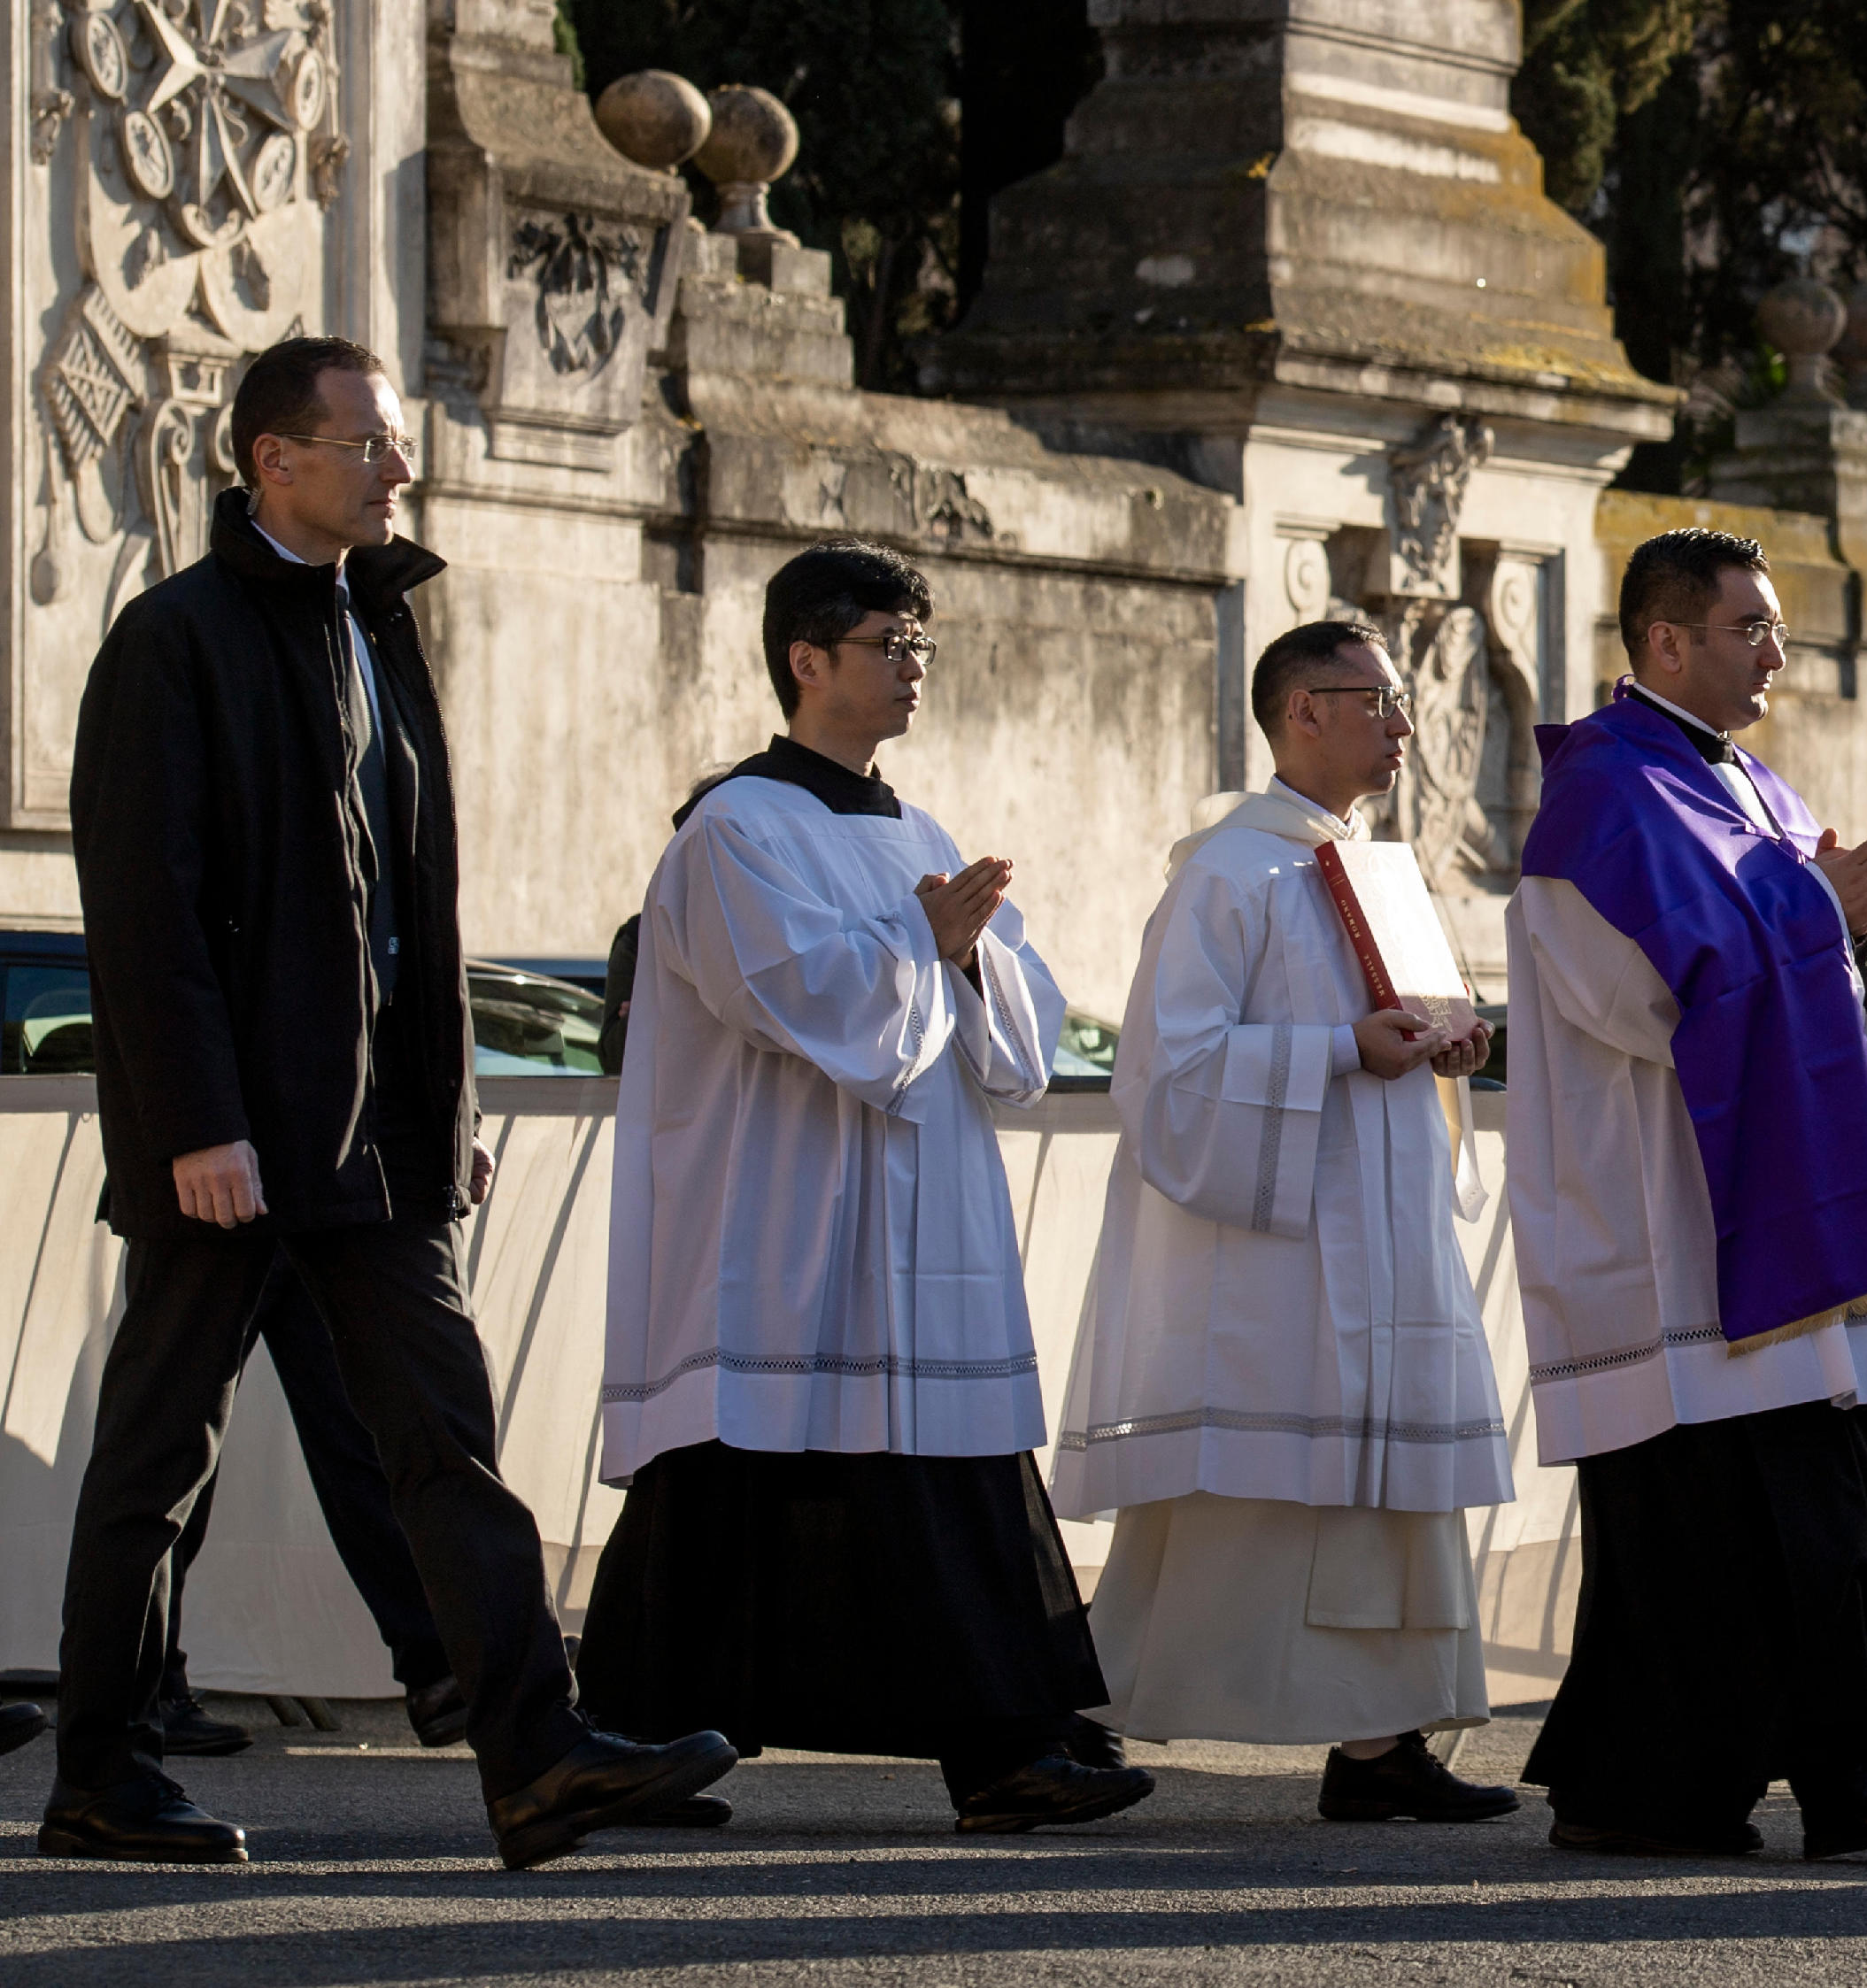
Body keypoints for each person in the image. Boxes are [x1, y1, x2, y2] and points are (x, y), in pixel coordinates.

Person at [46, 333, 733, 1869]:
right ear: (270, 460)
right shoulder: (176, 641)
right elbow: (143, 916)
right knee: (161, 1460)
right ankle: (98, 1773)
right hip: (231, 1143)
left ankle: (535, 1753)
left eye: (396, 440)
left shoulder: (379, 628)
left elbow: (414, 903)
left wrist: (448, 1097)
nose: (396, 465)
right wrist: (194, 1126)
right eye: (364, 441)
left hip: (371, 1145)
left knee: (444, 1440)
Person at [577, 543, 1148, 1837]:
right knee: (725, 1476)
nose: (914, 669)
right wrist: (923, 941)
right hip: (777, 1211)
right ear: (806, 659)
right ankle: (637, 1735)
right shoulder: (734, 828)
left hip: (920, 1206)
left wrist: (966, 956)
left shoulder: (920, 828)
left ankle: (1008, 1745)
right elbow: (789, 996)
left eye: (921, 647)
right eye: (891, 644)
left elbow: (1020, 1022)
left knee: (937, 1475)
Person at [1502, 528, 1867, 1859]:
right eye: (1751, 627)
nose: (1778, 649)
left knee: (1809, 1512)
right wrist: (1811, 912)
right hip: (1678, 1223)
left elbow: (1796, 944)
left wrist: (1835, 923)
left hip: (1786, 1218)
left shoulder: (1749, 789)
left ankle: (1781, 1776)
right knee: (1715, 1534)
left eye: (1778, 626)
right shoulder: (1605, 797)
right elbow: (1625, 996)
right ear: (1667, 641)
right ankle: (1730, 1785)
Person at [1058, 616, 1516, 1822]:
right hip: (1286, 1247)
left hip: (1386, 1220)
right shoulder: (1227, 874)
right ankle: (1089, 1713)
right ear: (1299, 712)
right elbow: (1164, 1072)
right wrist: (1336, 1049)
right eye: (1375, 701)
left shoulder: (1385, 869)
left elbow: (1412, 1025)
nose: (1404, 728)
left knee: (1388, 1496)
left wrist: (1452, 1042)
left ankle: (1382, 1744)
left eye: (1400, 701)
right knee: (1257, 1492)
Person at [153, 1263, 467, 1758]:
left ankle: (439, 1667)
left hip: (303, 1209)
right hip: (208, 1218)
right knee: (170, 1455)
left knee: (357, 1435)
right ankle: (146, 1687)